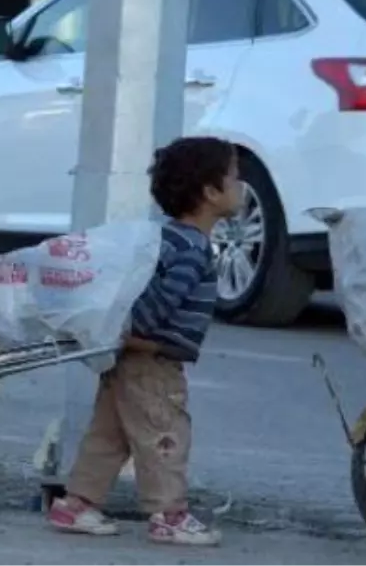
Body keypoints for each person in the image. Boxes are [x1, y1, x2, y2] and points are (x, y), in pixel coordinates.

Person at [46, 136, 241, 547]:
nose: (240, 186)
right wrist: (136, 335)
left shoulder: (167, 238)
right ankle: (169, 514)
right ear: (210, 192)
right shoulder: (192, 248)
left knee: (110, 434)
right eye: (234, 178)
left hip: (129, 358)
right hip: (152, 360)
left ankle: (77, 504)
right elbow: (162, 300)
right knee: (166, 434)